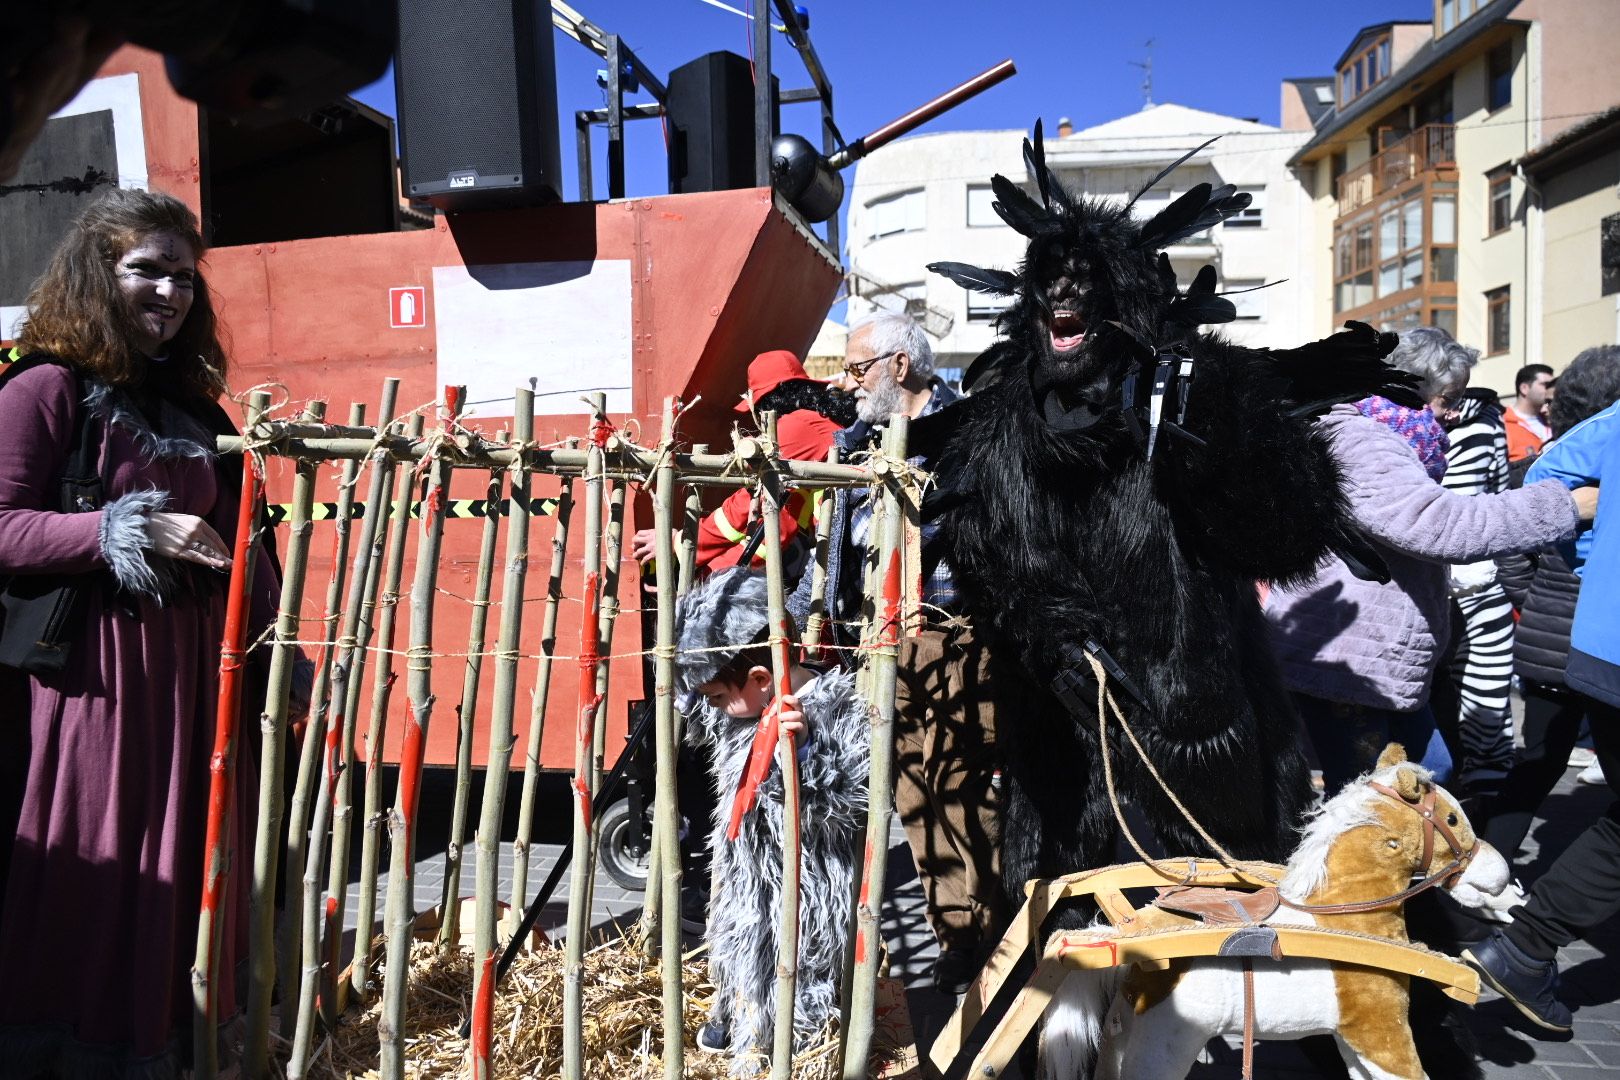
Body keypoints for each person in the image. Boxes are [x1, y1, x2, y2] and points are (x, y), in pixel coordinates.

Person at [0, 187, 287, 1075]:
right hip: (96, 679)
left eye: (183, 276)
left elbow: (252, 540)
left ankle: (174, 1036)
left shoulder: (198, 408)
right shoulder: (45, 387)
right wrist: (119, 530)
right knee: (107, 855)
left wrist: (280, 648)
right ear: (97, 274)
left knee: (190, 852)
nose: (170, 293)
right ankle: (81, 1049)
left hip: (199, 674)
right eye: (146, 271)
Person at [1265, 327, 1588, 794]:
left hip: (1371, 654)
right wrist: (1565, 506)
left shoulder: (1385, 432)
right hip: (1352, 661)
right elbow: (1437, 525)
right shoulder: (1363, 439)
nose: (1455, 413)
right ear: (1411, 387)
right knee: (1376, 797)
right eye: (1447, 399)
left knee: (1420, 780)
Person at [818, 310, 1005, 994]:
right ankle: (956, 933)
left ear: (900, 365)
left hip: (956, 637)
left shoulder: (970, 433)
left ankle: (998, 927)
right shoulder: (855, 445)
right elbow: (841, 542)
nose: (846, 382)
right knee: (910, 792)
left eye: (856, 366)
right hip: (880, 643)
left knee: (962, 786)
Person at [1465, 394, 1618, 1036]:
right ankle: (1526, 943)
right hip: (1592, 641)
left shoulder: (1610, 424)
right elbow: (1535, 489)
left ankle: (1525, 943)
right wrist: (1584, 557)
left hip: (1598, 637)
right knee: (1530, 759)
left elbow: (1543, 478)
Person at [674, 568, 868, 1075]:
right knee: (738, 935)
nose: (711, 706)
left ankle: (794, 1042)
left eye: (715, 695)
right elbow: (700, 715)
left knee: (799, 961)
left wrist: (801, 754)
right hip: (745, 867)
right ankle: (737, 1013)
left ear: (761, 680)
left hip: (802, 880)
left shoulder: (830, 707)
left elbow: (847, 801)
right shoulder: (741, 705)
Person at [1480, 346, 1620, 863]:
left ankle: (1489, 865)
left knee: (1538, 760)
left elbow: (1513, 557)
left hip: (1550, 634)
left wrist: (1535, 601)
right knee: (1541, 760)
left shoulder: (1553, 458)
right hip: (1574, 637)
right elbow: (1513, 555)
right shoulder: (1572, 461)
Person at [629, 349, 848, 578]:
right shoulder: (817, 423)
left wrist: (681, 542)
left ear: (767, 402)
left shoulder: (796, 428)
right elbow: (780, 525)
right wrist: (712, 573)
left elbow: (741, 510)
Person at [1430, 379, 1518, 793]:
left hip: (1455, 576)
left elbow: (1496, 495)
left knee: (1457, 688)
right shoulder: (1485, 424)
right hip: (1468, 573)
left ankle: (1472, 783)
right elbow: (1498, 494)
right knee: (1468, 689)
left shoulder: (1481, 423)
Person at [1504, 362, 1555, 462]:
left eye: (1552, 385)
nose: (1550, 389)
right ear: (1524, 388)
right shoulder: (1502, 423)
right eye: (1545, 385)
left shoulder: (1554, 421)